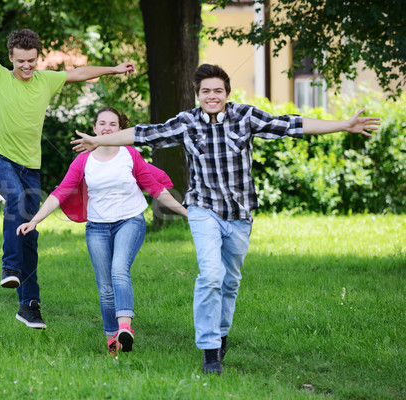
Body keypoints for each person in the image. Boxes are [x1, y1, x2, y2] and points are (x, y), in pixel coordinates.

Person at [71, 64, 380, 373]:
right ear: (198, 95)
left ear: (227, 94)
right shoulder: (187, 123)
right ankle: (209, 351)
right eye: (205, 91)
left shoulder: (245, 117)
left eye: (218, 90)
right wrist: (100, 141)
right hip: (203, 210)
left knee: (229, 282)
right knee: (210, 276)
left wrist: (344, 124)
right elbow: (145, 134)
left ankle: (220, 335)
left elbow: (291, 125)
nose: (212, 96)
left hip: (239, 215)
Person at [0, 0, 136, 330]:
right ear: (11, 58)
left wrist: (113, 69)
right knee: (14, 199)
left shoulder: (45, 79)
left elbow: (79, 73)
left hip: (30, 167)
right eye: (20, 61)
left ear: (37, 57)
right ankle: (9, 268)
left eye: (31, 61)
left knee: (31, 233)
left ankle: (29, 305)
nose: (26, 66)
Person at [16, 107, 187, 355]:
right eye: (102, 123)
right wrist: (35, 220)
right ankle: (112, 343)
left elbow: (156, 190)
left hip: (130, 221)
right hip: (97, 227)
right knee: (106, 288)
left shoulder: (130, 155)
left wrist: (185, 212)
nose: (107, 127)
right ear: (94, 128)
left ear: (120, 129)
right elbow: (60, 192)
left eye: (113, 124)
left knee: (119, 269)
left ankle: (125, 328)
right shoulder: (84, 161)